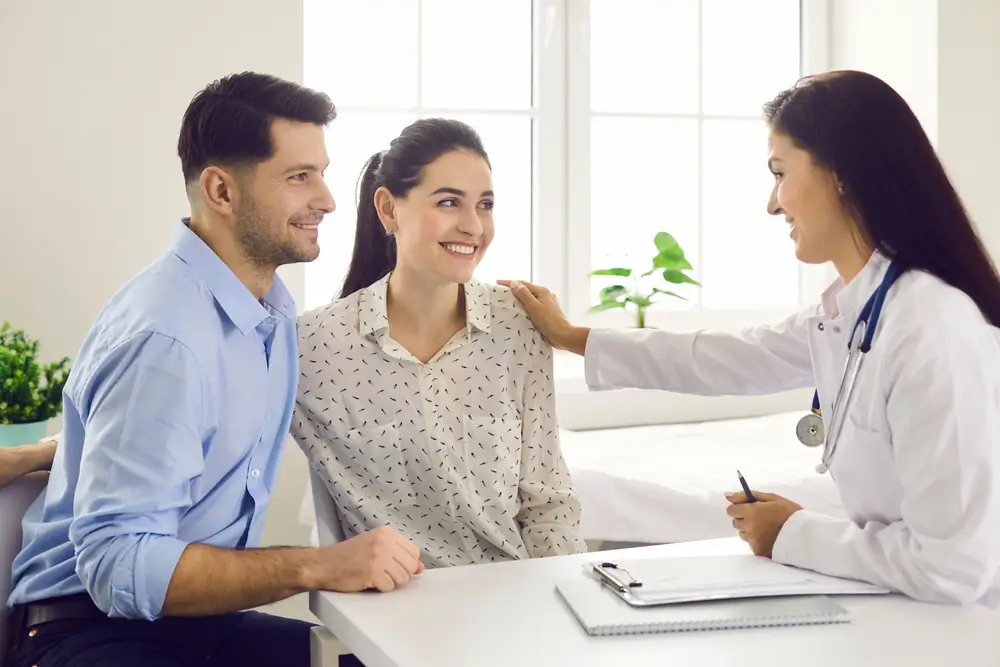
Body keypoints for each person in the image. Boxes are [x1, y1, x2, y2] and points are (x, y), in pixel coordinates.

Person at [501, 70, 1000, 607]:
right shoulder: (850, 313)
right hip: (909, 615)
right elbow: (724, 357)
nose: (772, 203)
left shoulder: (932, 329)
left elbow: (952, 568)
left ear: (842, 175)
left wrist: (793, 532)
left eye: (780, 173)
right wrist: (574, 337)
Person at [5, 72, 422, 667]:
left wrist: (59, 450)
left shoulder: (269, 311)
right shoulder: (167, 337)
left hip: (197, 628)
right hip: (89, 634)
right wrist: (317, 566)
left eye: (323, 172)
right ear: (221, 192)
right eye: (299, 177)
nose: (328, 199)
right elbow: (116, 562)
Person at [292, 118, 586, 569]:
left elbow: (548, 503)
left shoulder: (517, 324)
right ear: (388, 209)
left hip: (515, 599)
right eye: (449, 202)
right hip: (395, 612)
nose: (473, 226)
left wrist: (561, 600)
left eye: (485, 205)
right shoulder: (311, 347)